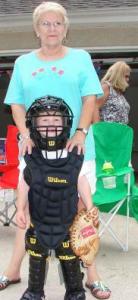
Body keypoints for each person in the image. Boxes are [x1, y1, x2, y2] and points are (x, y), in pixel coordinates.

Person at [1, 2, 111, 299]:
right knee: (32, 207)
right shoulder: (24, 62)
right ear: (36, 30)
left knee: (79, 213)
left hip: (76, 146)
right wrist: (25, 134)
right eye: (46, 24)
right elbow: (16, 104)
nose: (52, 28)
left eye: (58, 23)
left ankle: (91, 275)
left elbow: (90, 99)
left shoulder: (81, 58)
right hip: (36, 149)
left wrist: (80, 131)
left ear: (66, 28)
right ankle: (12, 270)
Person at [16, 95, 94, 300]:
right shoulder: (30, 154)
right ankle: (34, 291)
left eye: (56, 120)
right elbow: (24, 182)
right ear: (34, 125)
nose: (50, 125)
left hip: (67, 222)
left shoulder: (74, 152)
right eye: (44, 121)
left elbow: (81, 180)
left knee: (70, 258)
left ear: (65, 124)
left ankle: (75, 291)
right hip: (39, 221)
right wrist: (20, 207)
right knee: (36, 255)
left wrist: (90, 206)